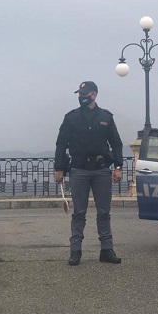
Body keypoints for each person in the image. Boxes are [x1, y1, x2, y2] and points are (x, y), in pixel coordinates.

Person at [54, 81, 124, 266]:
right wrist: (58, 168)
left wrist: (118, 167)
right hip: (78, 170)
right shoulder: (71, 117)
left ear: (94, 95)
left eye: (85, 94)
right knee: (79, 213)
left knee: (104, 212)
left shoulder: (106, 117)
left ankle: (107, 250)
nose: (81, 97)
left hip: (101, 170)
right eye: (80, 94)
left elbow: (116, 143)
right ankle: (75, 251)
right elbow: (61, 144)